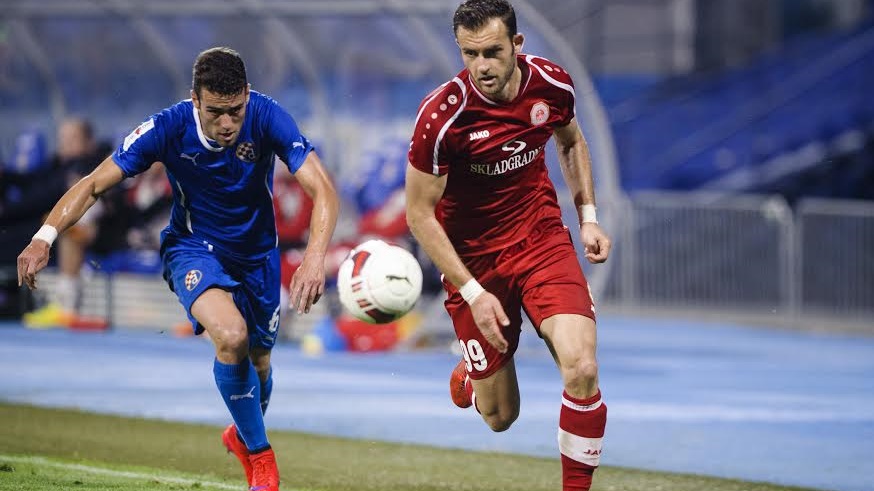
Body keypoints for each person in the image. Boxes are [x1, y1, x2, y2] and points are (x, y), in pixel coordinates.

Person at [17, 47, 339, 491]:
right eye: (215, 112)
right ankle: (263, 459)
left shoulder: (268, 116)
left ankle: (241, 436)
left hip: (259, 255)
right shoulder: (167, 127)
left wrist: (316, 256)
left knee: (260, 363)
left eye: (235, 111)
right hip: (193, 248)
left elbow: (323, 189)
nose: (227, 123)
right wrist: (44, 237)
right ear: (195, 100)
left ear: (247, 95)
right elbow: (93, 185)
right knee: (231, 336)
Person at [404, 1, 611, 490]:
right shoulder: (441, 117)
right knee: (501, 417)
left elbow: (570, 141)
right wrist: (473, 293)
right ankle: (471, 376)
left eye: (493, 52)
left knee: (582, 367)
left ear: (517, 44)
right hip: (474, 261)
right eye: (470, 54)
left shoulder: (552, 85)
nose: (482, 66)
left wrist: (588, 218)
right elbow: (419, 214)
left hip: (541, 241)